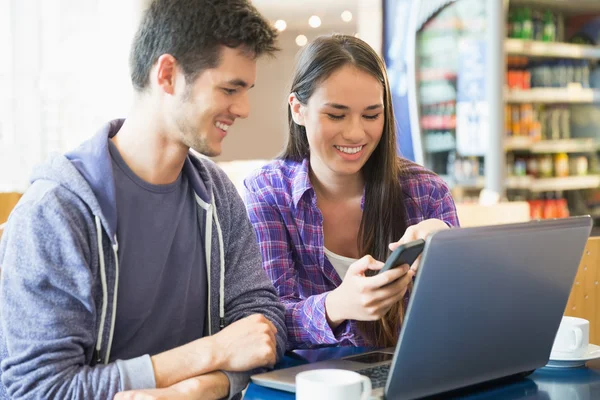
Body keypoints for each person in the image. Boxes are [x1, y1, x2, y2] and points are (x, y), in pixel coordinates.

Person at [0, 1, 286, 399]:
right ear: (167, 75)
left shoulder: (218, 196)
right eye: (229, 88)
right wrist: (212, 351)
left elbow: (262, 328)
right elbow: (38, 390)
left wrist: (196, 391)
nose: (243, 109)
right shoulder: (56, 211)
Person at [243, 34, 459, 350]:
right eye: (336, 114)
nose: (356, 132)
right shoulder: (268, 192)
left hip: (411, 377)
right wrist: (336, 306)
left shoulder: (427, 193)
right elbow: (267, 324)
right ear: (298, 110)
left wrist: (447, 248)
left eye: (371, 115)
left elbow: (457, 317)